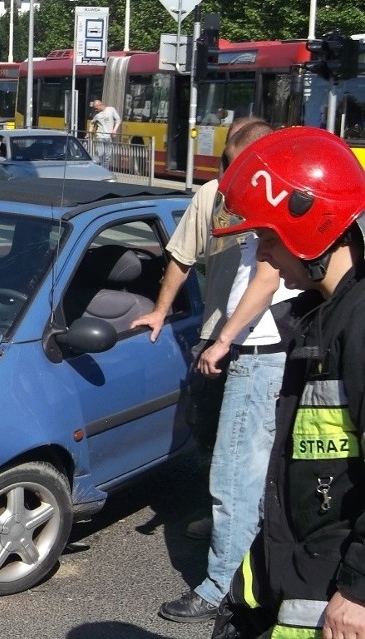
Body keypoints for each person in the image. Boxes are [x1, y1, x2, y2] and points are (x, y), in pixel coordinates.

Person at [209, 128, 365, 639]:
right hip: (295, 569)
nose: (266, 259)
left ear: (313, 229)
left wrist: (359, 590)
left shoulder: (359, 325)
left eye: (270, 240)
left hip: (333, 596)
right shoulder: (319, 318)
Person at [156, 121, 303, 624]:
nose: (230, 174)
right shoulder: (266, 199)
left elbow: (266, 275)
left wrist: (223, 339)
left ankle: (222, 586)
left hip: (258, 355)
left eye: (239, 164)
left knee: (234, 476)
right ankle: (254, 570)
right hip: (261, 350)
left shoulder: (273, 206)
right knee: (249, 472)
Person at [89, 99, 121, 169]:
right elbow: (92, 123)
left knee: (107, 156)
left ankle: (104, 171)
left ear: (100, 105)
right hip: (100, 136)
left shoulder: (111, 110)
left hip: (108, 137)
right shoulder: (97, 115)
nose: (96, 110)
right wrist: (89, 132)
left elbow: (118, 120)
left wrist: (114, 130)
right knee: (100, 154)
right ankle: (94, 167)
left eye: (96, 108)